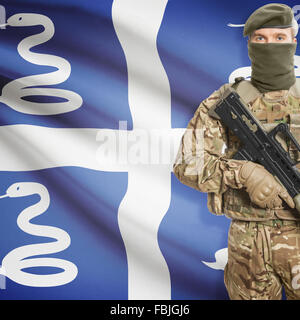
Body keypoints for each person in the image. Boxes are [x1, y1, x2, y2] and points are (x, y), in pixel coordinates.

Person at [173, 3, 300, 300]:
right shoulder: (226, 102)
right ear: (250, 45)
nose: (270, 46)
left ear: (293, 41)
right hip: (247, 244)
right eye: (261, 39)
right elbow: (187, 164)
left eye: (279, 38)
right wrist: (242, 172)